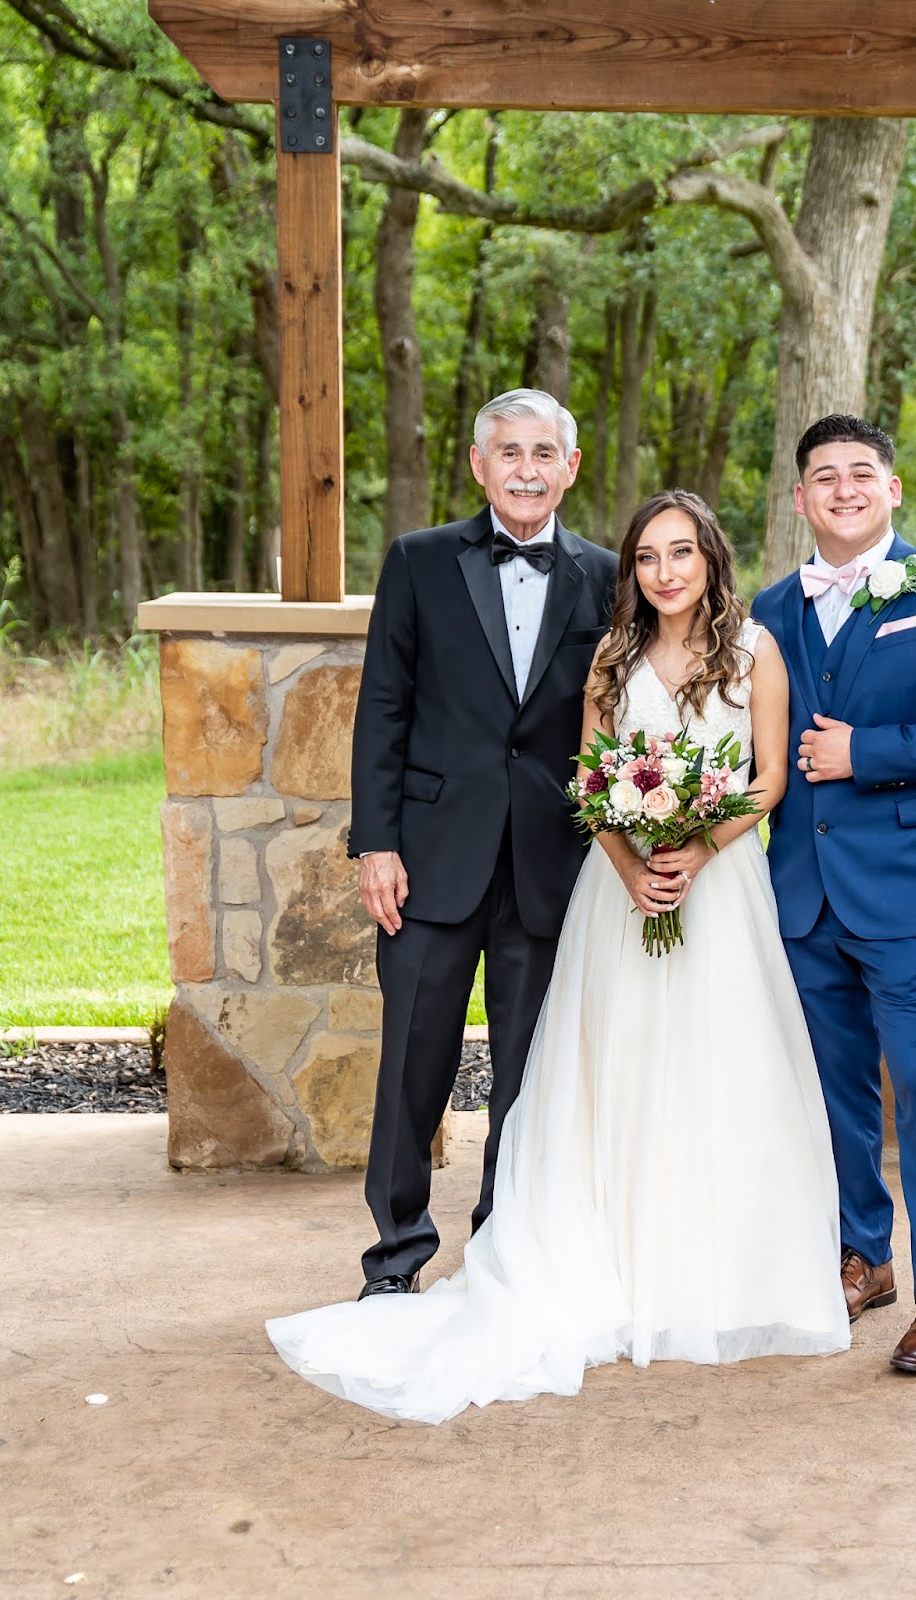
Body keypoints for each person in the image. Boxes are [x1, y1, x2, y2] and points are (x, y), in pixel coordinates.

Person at [267, 490, 850, 1423]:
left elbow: (770, 778)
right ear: (631, 570)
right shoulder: (613, 656)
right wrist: (632, 866)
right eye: (647, 557)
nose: (664, 572)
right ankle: (535, 1257)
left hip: (721, 890)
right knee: (611, 1070)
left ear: (711, 557)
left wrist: (697, 850)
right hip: (619, 892)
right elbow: (590, 776)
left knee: (719, 1069)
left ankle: (708, 1270)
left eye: (682, 553)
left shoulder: (756, 652)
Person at [752, 414, 916, 1376]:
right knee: (833, 1089)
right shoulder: (769, 608)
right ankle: (863, 1255)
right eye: (824, 476)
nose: (844, 489)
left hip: (908, 889)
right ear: (800, 499)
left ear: (892, 488)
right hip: (802, 891)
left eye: (861, 472)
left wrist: (862, 754)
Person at [346, 389, 619, 1299]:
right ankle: (396, 1258)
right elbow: (382, 707)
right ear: (479, 464)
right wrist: (376, 844)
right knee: (412, 1065)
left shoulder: (608, 576)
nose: (526, 470)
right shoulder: (418, 561)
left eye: (544, 453)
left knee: (527, 1074)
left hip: (551, 863)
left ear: (570, 467)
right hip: (429, 859)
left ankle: (502, 1254)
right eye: (509, 452)